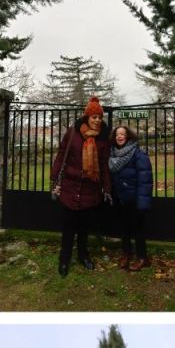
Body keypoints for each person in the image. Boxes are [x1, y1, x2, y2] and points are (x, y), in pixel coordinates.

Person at [51, 96, 113, 277]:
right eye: (94, 117)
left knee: (84, 227)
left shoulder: (103, 138)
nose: (97, 120)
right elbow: (61, 154)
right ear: (87, 117)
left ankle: (83, 256)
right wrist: (54, 178)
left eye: (100, 117)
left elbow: (104, 164)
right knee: (68, 226)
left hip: (90, 188)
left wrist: (107, 187)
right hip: (70, 185)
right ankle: (64, 259)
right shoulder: (73, 133)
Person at [108, 125, 153, 270]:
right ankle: (126, 254)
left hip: (134, 199)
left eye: (122, 134)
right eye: (117, 135)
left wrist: (142, 203)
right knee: (124, 228)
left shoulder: (138, 155)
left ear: (128, 136)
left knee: (138, 229)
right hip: (120, 198)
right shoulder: (113, 154)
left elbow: (145, 180)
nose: (119, 137)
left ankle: (142, 258)